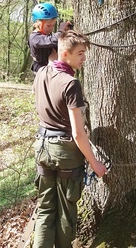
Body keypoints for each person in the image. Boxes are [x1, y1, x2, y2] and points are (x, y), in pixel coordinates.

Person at [32, 30, 107, 248]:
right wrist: (95, 164)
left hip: (42, 148)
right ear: (65, 54)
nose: (84, 58)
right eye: (80, 53)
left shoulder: (41, 73)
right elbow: (77, 132)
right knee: (66, 212)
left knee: (45, 209)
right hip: (64, 152)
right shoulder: (70, 83)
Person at [28, 2, 71, 73]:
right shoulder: (34, 38)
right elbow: (51, 40)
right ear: (38, 23)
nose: (51, 29)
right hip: (41, 72)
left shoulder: (48, 35)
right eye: (48, 25)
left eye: (53, 26)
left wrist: (66, 33)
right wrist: (60, 31)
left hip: (52, 69)